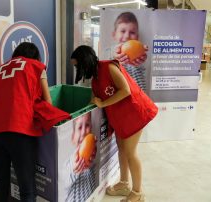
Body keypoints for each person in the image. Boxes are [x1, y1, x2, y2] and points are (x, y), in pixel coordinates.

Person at [0, 42, 70, 202]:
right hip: (18, 130)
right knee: (27, 189)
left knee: (1, 184)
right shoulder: (36, 66)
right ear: (36, 56)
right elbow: (47, 101)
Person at [71, 45, 158, 202]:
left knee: (130, 153)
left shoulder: (108, 67)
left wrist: (103, 104)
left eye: (78, 65)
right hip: (121, 117)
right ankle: (124, 183)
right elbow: (95, 99)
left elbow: (125, 90)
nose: (77, 69)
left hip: (135, 112)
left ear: (85, 61)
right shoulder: (95, 80)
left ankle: (138, 193)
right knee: (122, 150)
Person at [111, 12, 148, 91]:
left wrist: (141, 56)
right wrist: (115, 59)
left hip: (139, 99)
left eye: (132, 32)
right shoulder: (111, 53)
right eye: (123, 31)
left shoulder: (139, 53)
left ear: (137, 37)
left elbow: (142, 68)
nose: (127, 36)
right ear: (114, 35)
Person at [65, 112, 97, 202]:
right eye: (79, 128)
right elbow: (62, 182)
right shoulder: (70, 164)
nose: (83, 132)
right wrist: (73, 168)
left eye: (87, 125)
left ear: (91, 130)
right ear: (73, 137)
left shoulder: (91, 159)